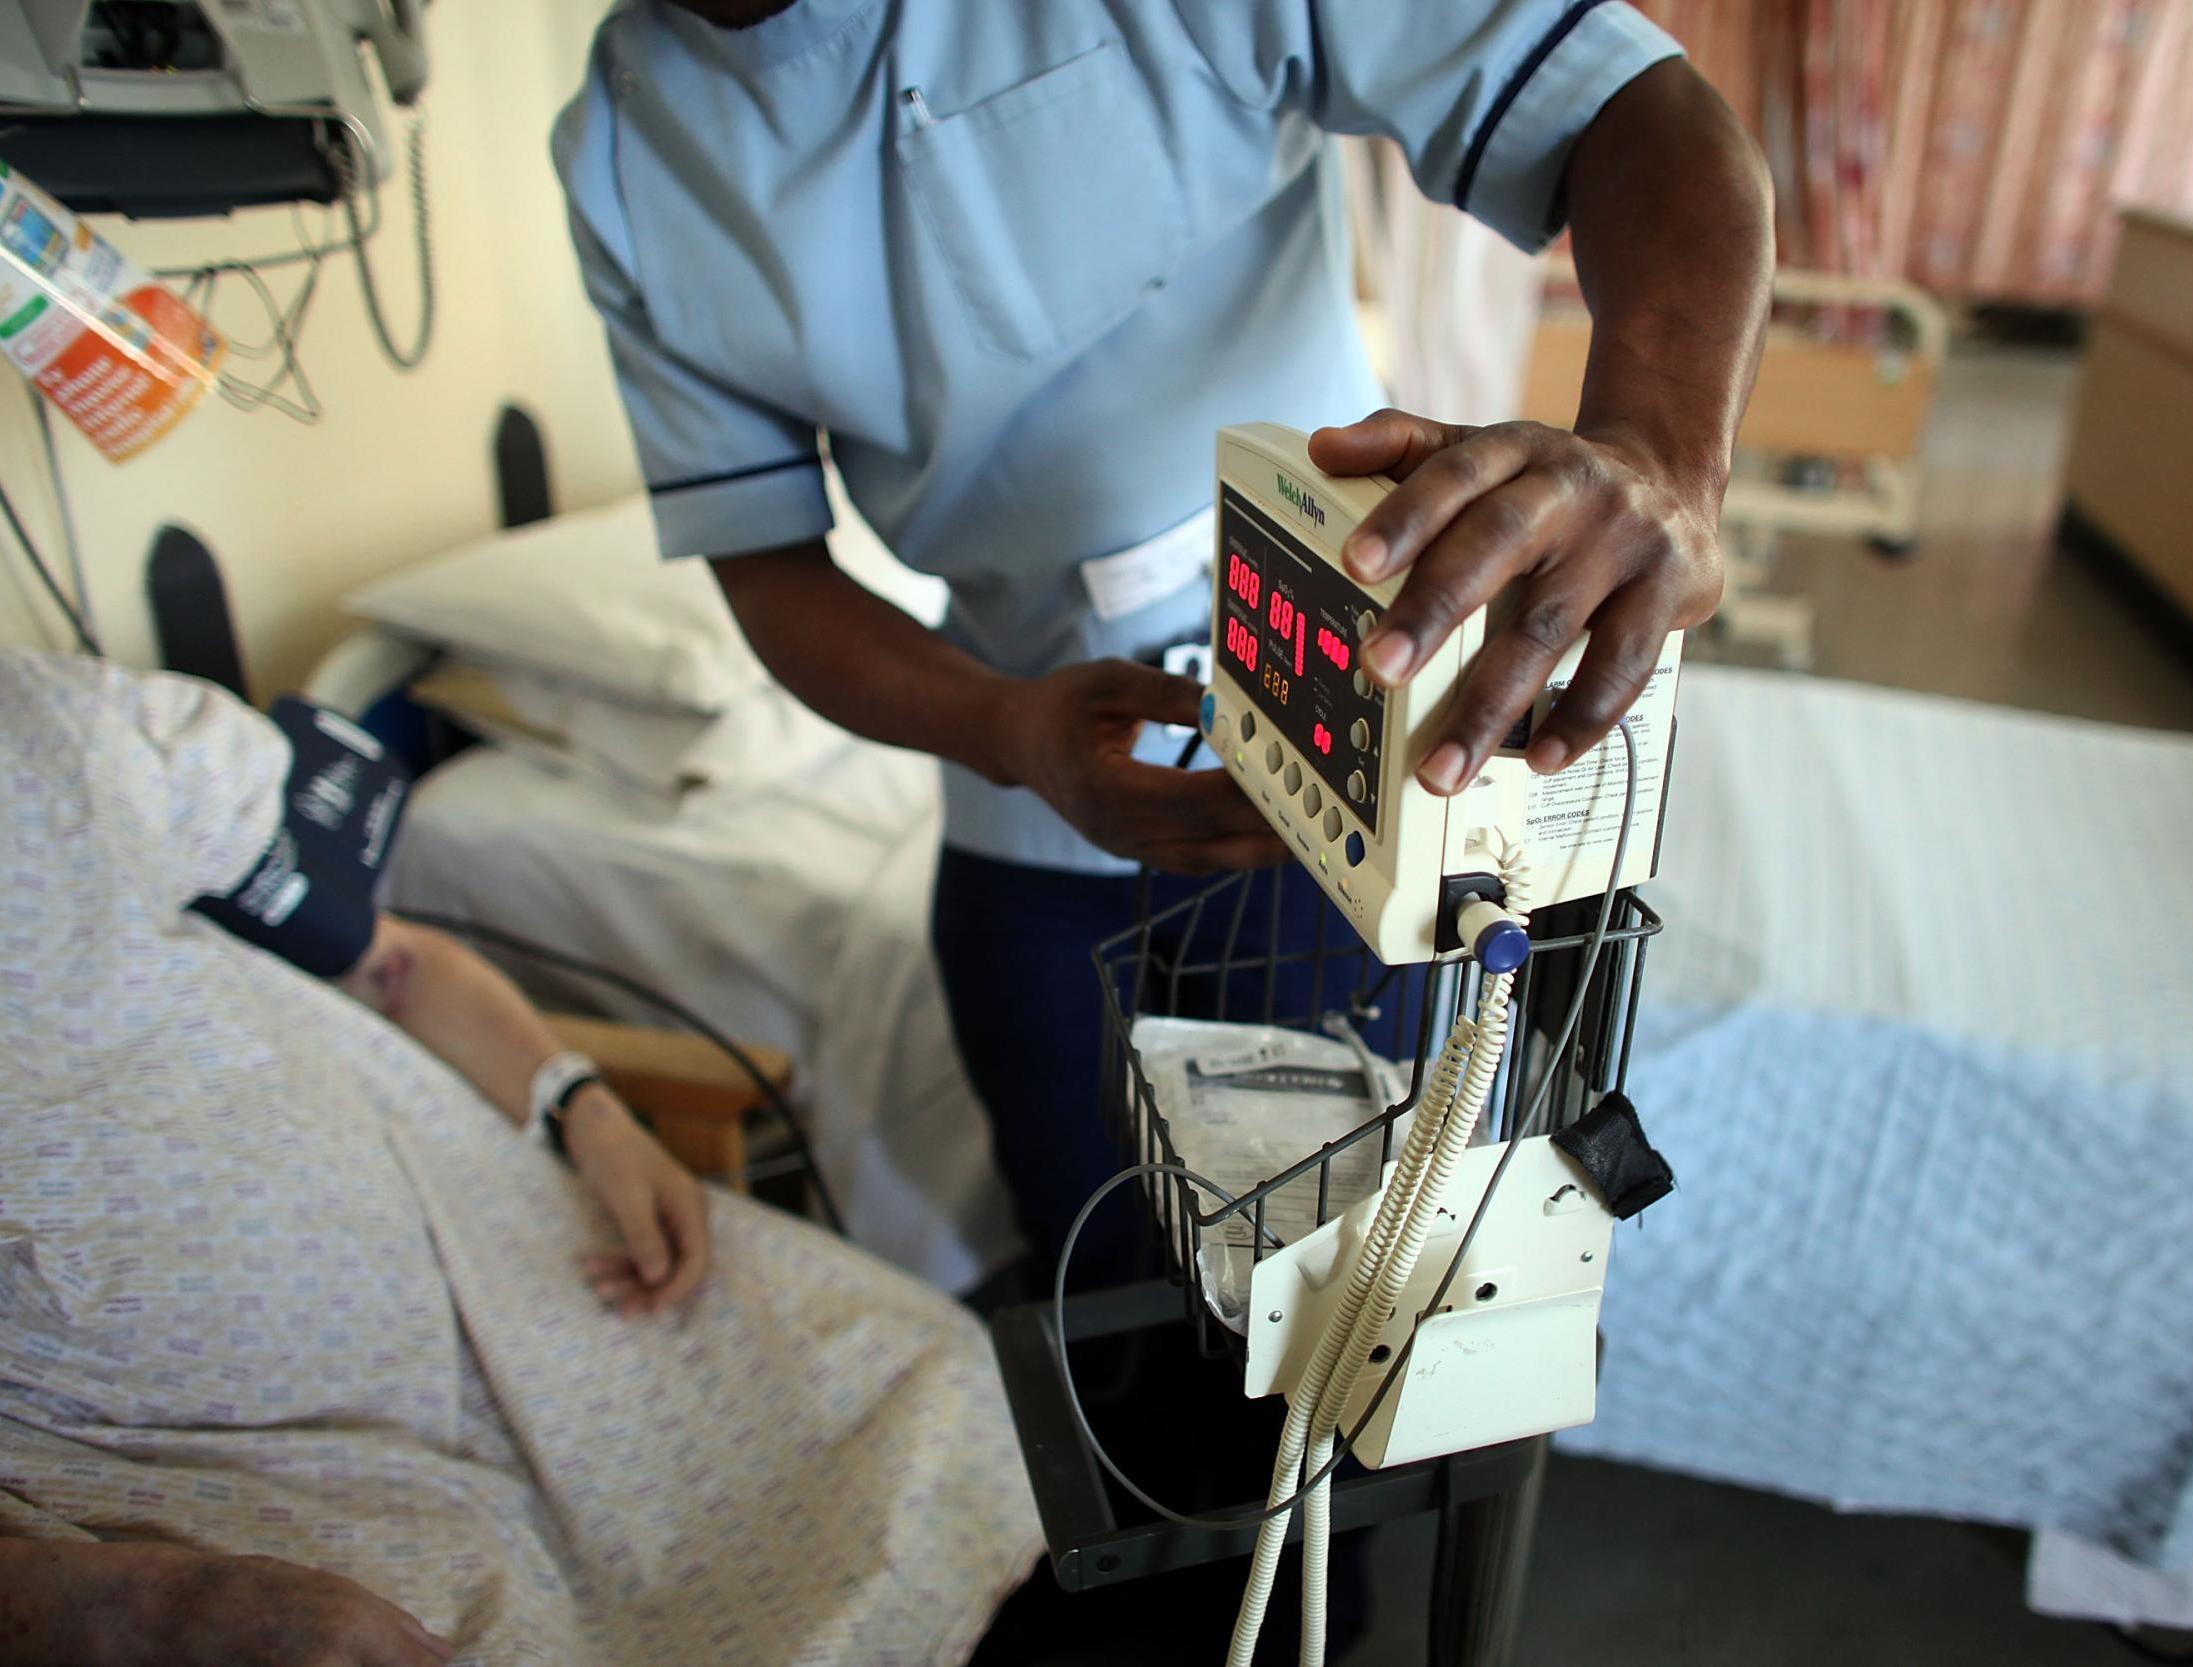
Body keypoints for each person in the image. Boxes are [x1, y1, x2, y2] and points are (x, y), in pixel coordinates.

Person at [552, 0, 1773, 1289]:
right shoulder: (628, 150)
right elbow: (763, 560)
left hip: (1346, 728)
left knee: (1367, 1292)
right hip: (1023, 785)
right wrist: (1006, 732)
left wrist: (1661, 449)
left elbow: (1638, 109)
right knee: (1095, 1285)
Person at [0, 651, 1040, 1665]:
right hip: (225, 1472)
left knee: (932, 1381)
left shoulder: (55, 737)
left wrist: (587, 1112)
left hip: (504, 1263)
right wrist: (149, 1605)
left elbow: (392, 963)